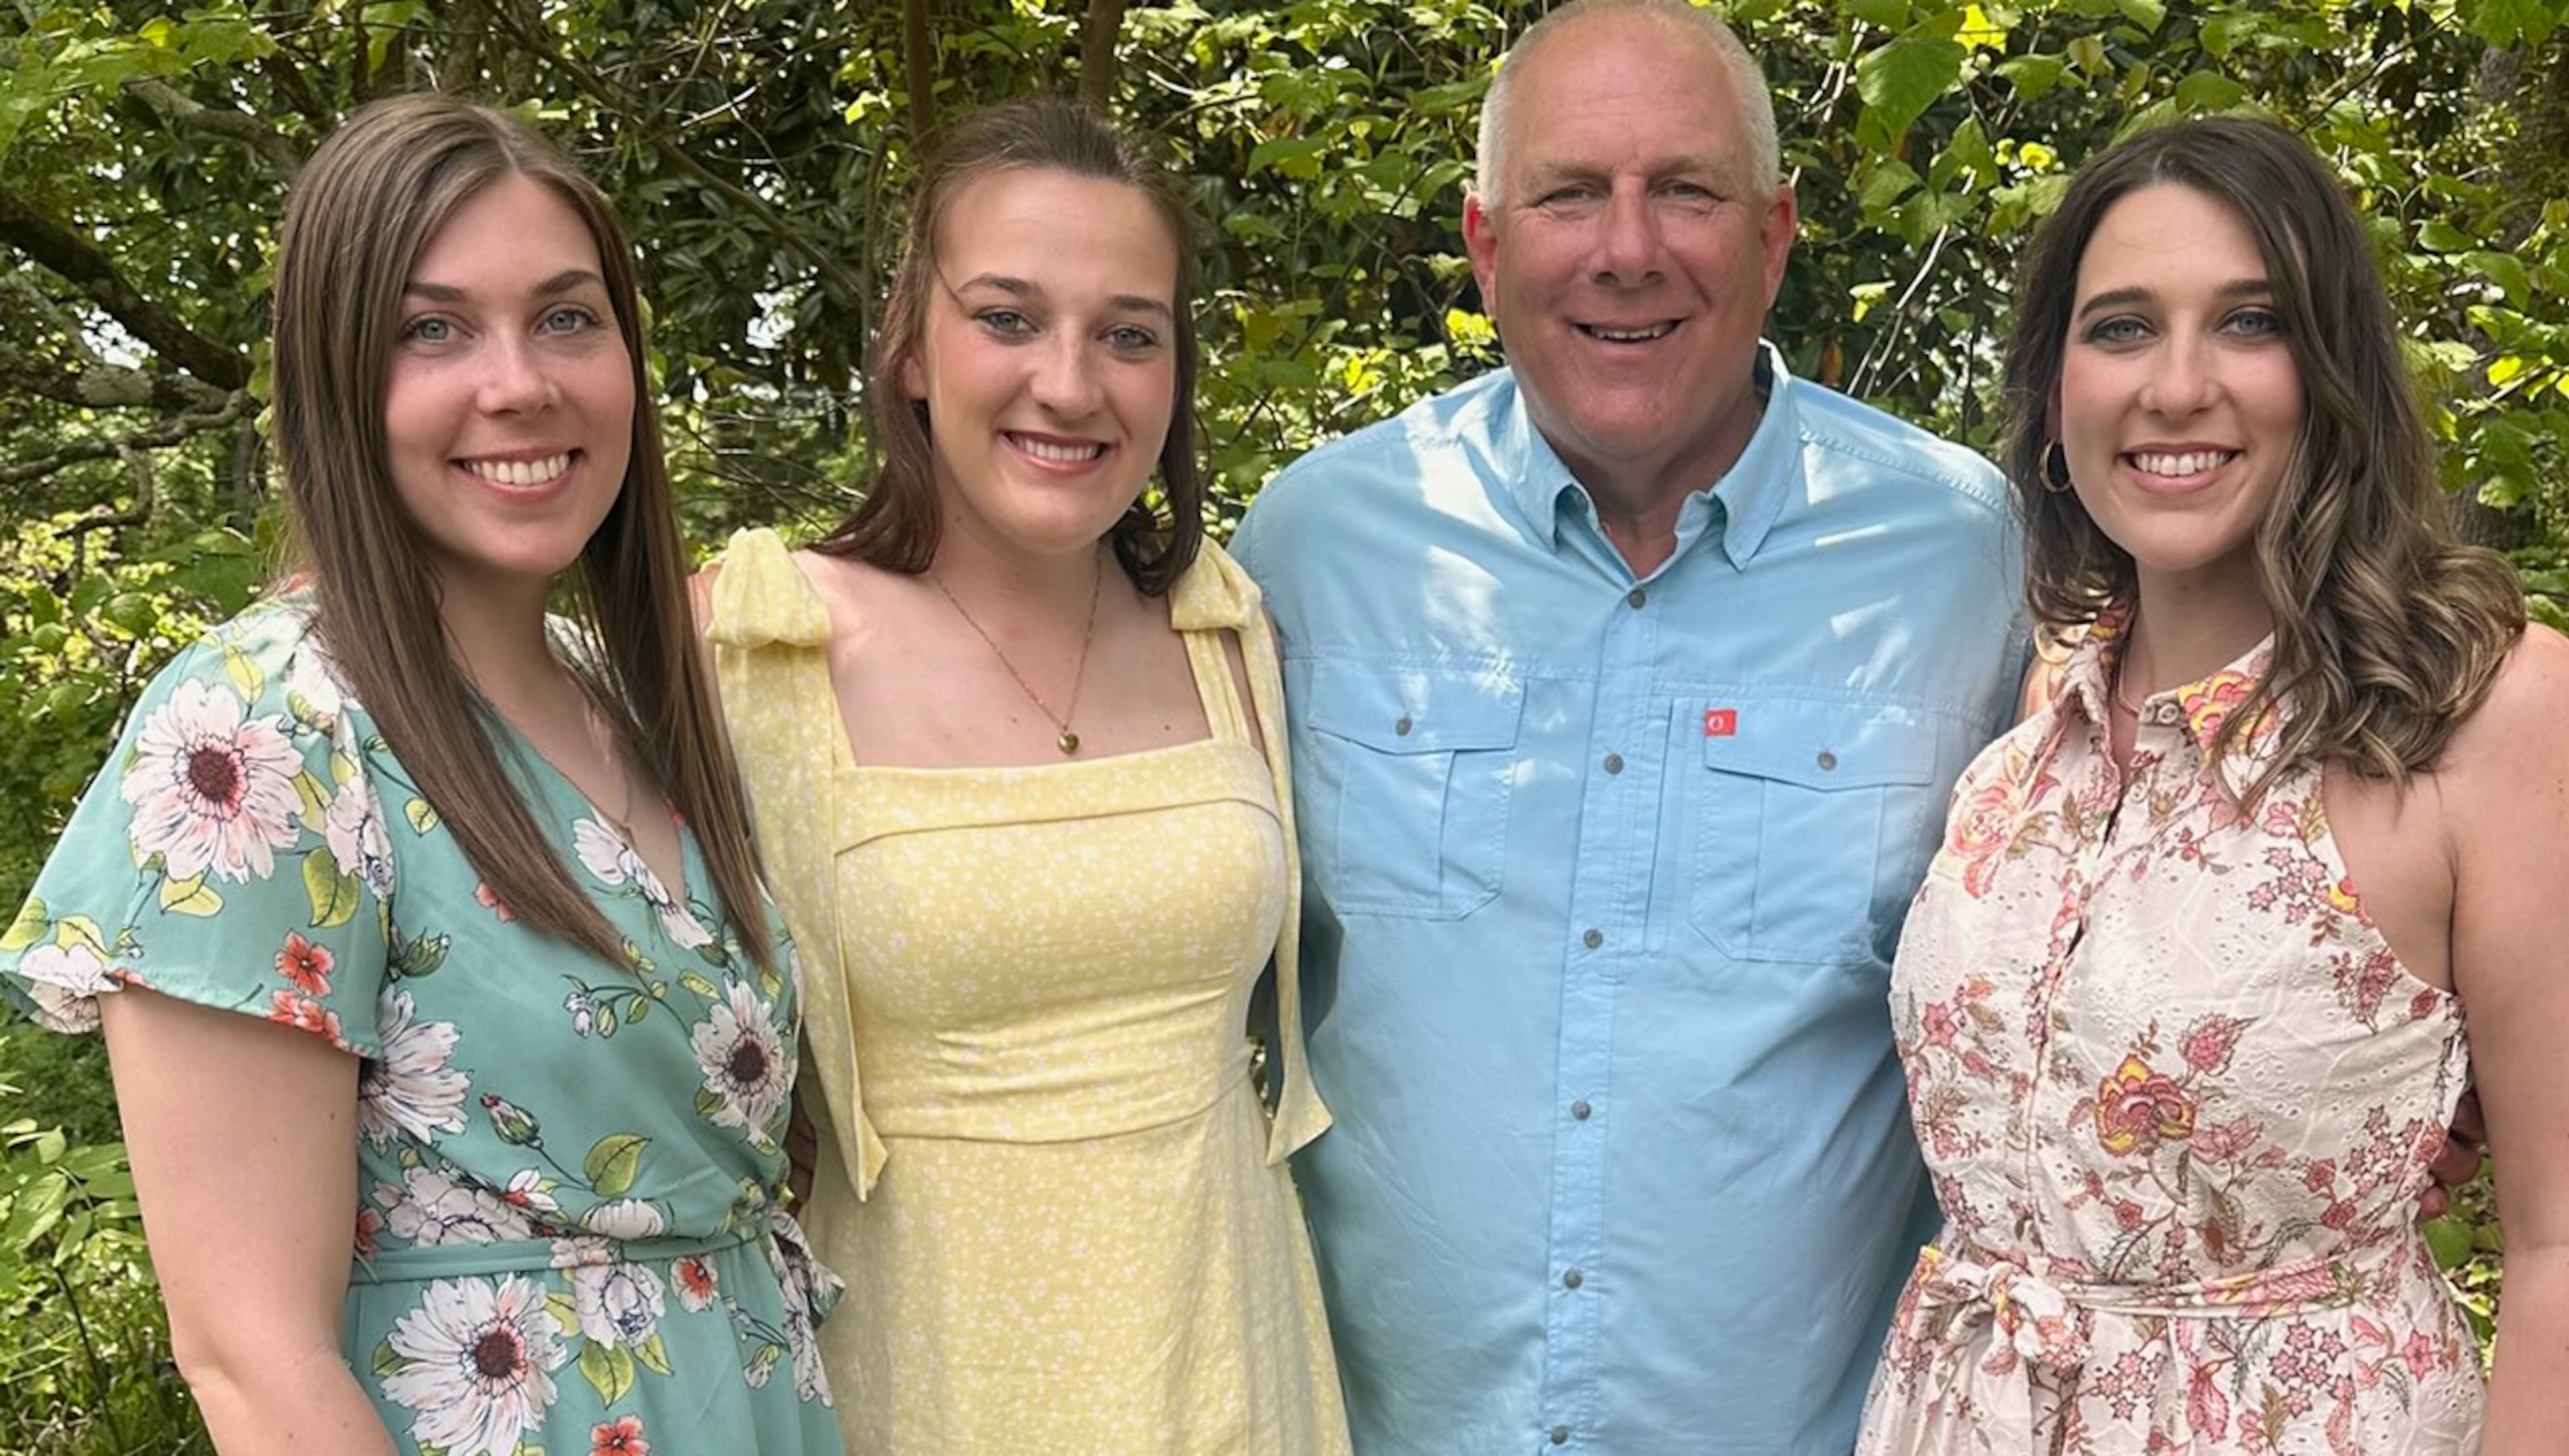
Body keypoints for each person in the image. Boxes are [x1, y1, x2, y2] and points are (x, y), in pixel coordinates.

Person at [1228, 2, 2032, 1451]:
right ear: (1485, 245)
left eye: (1687, 189)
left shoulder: (1963, 559)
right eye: (1569, 194)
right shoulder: (1316, 548)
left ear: (1776, 235)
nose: (1627, 248)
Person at [0, 96, 841, 1456]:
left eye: (566, 318)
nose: (520, 384)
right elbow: (253, 1360)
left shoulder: (632, 704)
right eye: (433, 330)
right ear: (336, 379)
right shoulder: (264, 733)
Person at [1854, 115, 2569, 1455]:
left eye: (2251, 323)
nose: (2178, 385)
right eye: (2123, 328)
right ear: (2056, 394)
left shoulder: (2495, 713)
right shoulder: (2046, 718)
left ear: (2333, 372)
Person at [700, 96, 1350, 1455]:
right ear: (910, 344)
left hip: (1232, 1370)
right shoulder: (757, 646)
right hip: (932, 1381)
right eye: (1007, 317)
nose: (1070, 383)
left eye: (1129, 333)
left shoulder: (1229, 632)